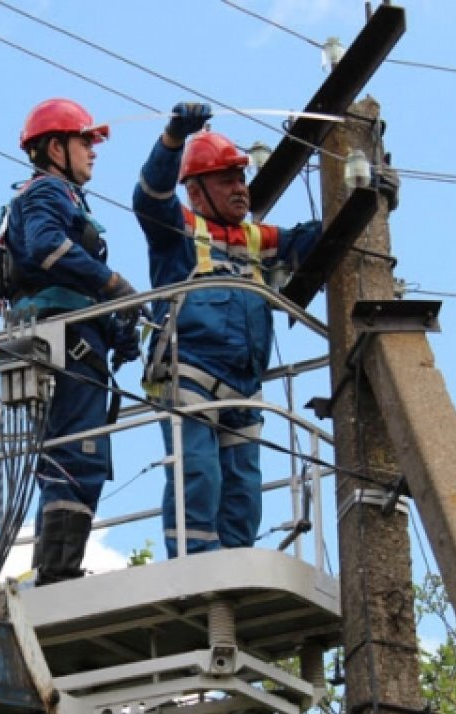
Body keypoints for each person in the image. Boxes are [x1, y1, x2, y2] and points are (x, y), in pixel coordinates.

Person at [133, 102, 321, 559]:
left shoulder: (255, 240)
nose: (241, 189)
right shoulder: (179, 231)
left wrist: (365, 196)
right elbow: (149, 198)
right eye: (227, 180)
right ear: (196, 192)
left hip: (242, 382)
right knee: (198, 471)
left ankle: (234, 563)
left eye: (241, 178)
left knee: (243, 487)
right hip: (190, 372)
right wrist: (173, 140)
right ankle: (195, 565)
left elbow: (311, 239)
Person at [0, 98, 140, 584]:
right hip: (68, 339)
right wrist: (110, 285)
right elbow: (44, 246)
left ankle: (61, 568)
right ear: (54, 147)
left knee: (83, 455)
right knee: (75, 453)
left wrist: (121, 326)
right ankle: (57, 573)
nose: (93, 152)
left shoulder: (65, 196)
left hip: (79, 337)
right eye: (85, 141)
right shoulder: (47, 193)